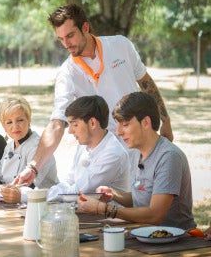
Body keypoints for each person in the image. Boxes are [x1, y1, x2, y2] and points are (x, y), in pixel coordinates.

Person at [16, 3, 173, 187]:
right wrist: (34, 167)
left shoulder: (120, 45)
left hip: (139, 141)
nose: (66, 44)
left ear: (85, 27)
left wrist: (166, 121)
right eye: (61, 39)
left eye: (70, 35)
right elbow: (57, 123)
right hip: (103, 150)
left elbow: (146, 83)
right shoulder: (67, 73)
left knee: (144, 202)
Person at [77, 92, 196, 230]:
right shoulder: (137, 152)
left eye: (125, 125)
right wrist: (113, 194)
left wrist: (103, 208)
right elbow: (141, 198)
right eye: (117, 125)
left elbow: (155, 215)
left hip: (176, 241)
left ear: (145, 122)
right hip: (145, 234)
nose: (119, 132)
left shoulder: (169, 157)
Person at [46, 95, 130, 201]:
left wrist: (32, 196)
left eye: (75, 125)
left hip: (106, 216)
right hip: (84, 211)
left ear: (92, 123)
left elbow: (76, 193)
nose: (70, 131)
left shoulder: (112, 154)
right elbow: (69, 181)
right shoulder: (84, 146)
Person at [0, 97, 58, 203]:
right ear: (3, 125)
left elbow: (30, 186)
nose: (15, 126)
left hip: (42, 203)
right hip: (14, 201)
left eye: (20, 120)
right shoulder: (10, 146)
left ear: (29, 119)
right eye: (9, 122)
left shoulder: (38, 147)